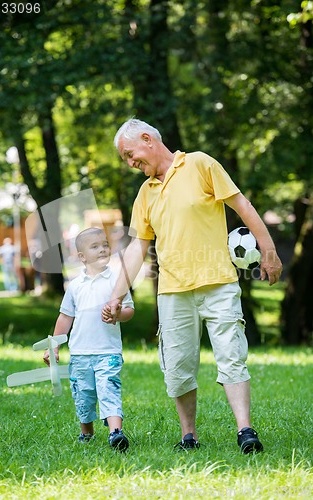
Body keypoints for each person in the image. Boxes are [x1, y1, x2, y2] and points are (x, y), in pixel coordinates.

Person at [103, 118, 282, 454]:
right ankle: (189, 435)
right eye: (125, 159)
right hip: (172, 292)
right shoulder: (146, 192)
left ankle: (245, 430)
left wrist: (268, 252)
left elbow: (241, 205)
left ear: (147, 139)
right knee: (178, 365)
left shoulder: (200, 163)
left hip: (219, 283)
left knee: (231, 356)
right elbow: (136, 248)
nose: (130, 164)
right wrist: (117, 295)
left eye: (130, 154)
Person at [43, 227, 134, 451]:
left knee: (109, 388)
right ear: (82, 256)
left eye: (105, 244)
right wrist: (54, 346)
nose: (103, 249)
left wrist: (117, 314)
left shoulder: (117, 282)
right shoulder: (75, 285)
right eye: (95, 247)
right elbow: (65, 317)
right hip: (80, 353)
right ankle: (87, 432)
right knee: (83, 394)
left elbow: (129, 311)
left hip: (108, 352)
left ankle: (116, 433)